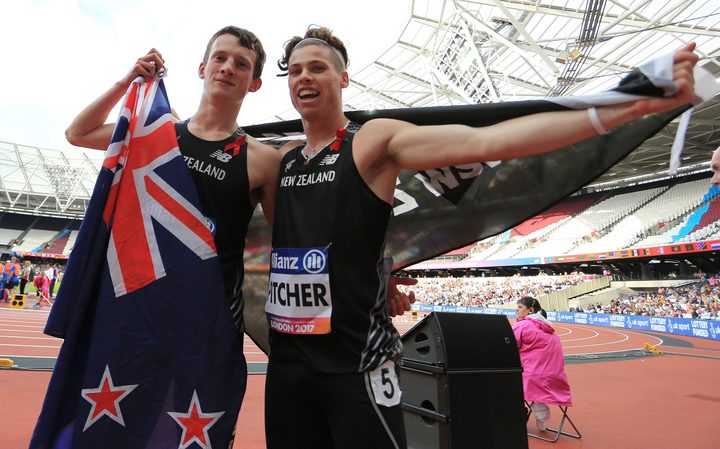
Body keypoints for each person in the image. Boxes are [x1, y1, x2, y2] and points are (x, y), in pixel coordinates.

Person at [264, 25, 698, 449]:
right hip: (288, 368)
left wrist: (632, 103)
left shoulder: (372, 142)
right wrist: (383, 272)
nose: (305, 77)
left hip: (356, 366)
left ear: (342, 78)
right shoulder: (280, 163)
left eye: (318, 67)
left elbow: (489, 140)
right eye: (297, 70)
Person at [64, 25, 280, 443]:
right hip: (138, 317)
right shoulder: (156, 135)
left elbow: (290, 240)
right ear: (202, 67)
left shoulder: (262, 160)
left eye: (241, 64)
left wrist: (376, 277)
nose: (227, 68)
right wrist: (126, 82)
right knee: (118, 430)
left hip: (207, 327)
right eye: (220, 58)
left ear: (254, 84)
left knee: (193, 434)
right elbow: (78, 133)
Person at [512, 296, 571, 432]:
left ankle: (516, 417)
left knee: (503, 380)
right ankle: (540, 414)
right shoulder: (549, 328)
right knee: (534, 377)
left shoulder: (522, 326)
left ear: (530, 310)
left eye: (520, 307)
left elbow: (507, 347)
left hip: (533, 379)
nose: (517, 309)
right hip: (557, 380)